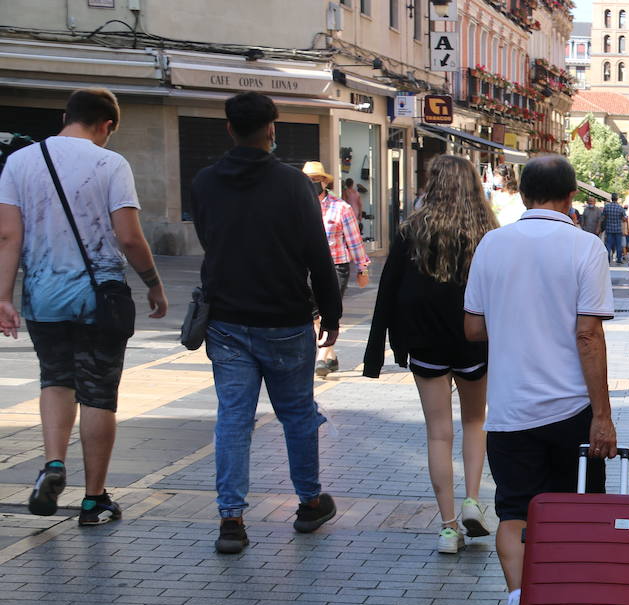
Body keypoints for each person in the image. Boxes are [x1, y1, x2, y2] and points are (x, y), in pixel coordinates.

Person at [463, 155, 617, 605]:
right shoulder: (585, 247)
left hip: (508, 408)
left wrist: (515, 317)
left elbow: (473, 329)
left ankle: (519, 603)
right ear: (571, 196)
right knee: (573, 512)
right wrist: (603, 415)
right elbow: (588, 334)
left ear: (523, 195)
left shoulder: (492, 244)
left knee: (514, 510)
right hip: (571, 408)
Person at [0, 88, 168, 525]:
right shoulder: (110, 163)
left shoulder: (19, 162)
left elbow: (8, 237)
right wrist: (153, 284)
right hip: (99, 297)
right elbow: (129, 237)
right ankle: (94, 500)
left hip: (43, 296)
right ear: (107, 125)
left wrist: (3, 297)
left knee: (55, 380)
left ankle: (54, 463)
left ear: (64, 116)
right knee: (98, 394)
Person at [191, 91, 341, 554]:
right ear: (272, 131)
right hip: (285, 320)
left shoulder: (203, 183)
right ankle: (309, 503)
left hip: (227, 321)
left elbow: (207, 241)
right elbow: (318, 254)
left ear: (230, 128)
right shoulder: (294, 186)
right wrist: (331, 314)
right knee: (297, 415)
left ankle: (231, 520)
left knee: (233, 420)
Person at [364, 155, 495, 554]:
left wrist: (375, 356)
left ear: (432, 184)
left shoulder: (412, 231)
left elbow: (387, 292)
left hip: (425, 344)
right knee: (475, 422)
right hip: (474, 342)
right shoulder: (487, 233)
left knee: (438, 433)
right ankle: (473, 500)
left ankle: (448, 527)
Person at [304, 160, 369, 379]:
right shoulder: (297, 206)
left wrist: (363, 267)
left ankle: (322, 356)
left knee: (328, 311)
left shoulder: (341, 208)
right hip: (305, 267)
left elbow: (354, 240)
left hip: (335, 266)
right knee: (313, 314)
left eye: (315, 179)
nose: (312, 183)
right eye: (307, 180)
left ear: (324, 181)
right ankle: (329, 354)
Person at [601, 192, 628, 267]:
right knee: (618, 245)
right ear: (617, 199)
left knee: (608, 245)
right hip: (618, 229)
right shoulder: (620, 207)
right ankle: (618, 259)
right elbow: (624, 219)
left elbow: (603, 217)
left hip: (609, 229)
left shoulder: (607, 207)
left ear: (611, 198)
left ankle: (608, 259)